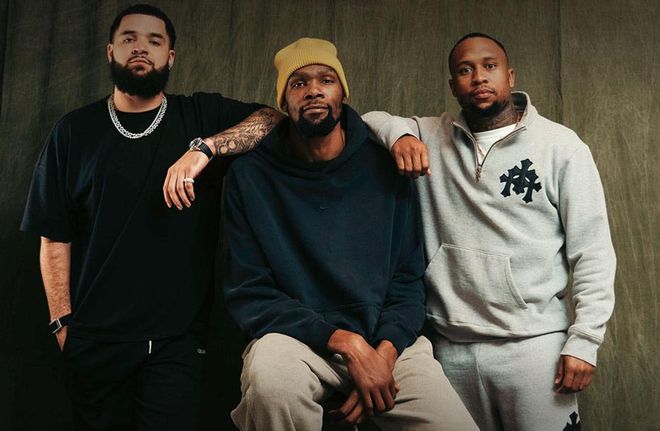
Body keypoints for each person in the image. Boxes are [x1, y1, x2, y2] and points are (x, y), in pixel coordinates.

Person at [20, 4, 281, 429]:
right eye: (129, 39)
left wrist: (205, 149)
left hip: (175, 344)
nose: (141, 48)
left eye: (154, 41)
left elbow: (273, 119)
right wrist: (61, 324)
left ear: (170, 57)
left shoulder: (198, 115)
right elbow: (53, 237)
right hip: (94, 340)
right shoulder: (73, 132)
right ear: (111, 51)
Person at [221, 37, 478, 431]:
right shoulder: (249, 177)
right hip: (296, 341)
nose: (313, 91)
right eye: (298, 83)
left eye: (326, 80)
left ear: (343, 93)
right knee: (271, 382)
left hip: (385, 342)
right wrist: (348, 344)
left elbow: (408, 282)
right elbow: (250, 293)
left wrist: (381, 357)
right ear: (283, 103)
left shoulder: (386, 167)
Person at [362, 32, 616, 431]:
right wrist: (401, 135)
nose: (479, 77)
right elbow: (368, 120)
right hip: (449, 347)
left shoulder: (561, 147)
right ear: (453, 86)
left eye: (489, 66)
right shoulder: (430, 136)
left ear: (510, 76)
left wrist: (585, 341)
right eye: (465, 70)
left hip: (534, 345)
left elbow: (593, 251)